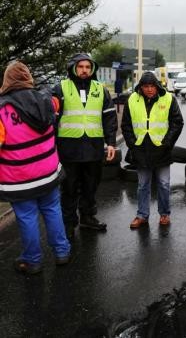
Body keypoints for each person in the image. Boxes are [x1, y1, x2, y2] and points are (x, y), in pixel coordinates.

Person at [0, 61, 71, 275]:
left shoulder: (3, 110)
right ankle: (62, 252)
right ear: (28, 78)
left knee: (27, 216)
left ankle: (32, 260)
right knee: (52, 209)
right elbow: (57, 102)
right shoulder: (47, 101)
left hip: (19, 178)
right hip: (48, 173)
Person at [52, 53, 117, 239]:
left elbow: (110, 117)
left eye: (88, 67)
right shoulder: (60, 88)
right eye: (80, 67)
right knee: (69, 187)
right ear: (73, 68)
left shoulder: (100, 89)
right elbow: (52, 119)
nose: (84, 70)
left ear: (92, 69)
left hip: (93, 147)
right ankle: (69, 223)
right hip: (69, 148)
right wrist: (52, 145)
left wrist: (111, 143)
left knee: (91, 185)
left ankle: (88, 218)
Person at [121, 72, 183, 229]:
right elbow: (126, 125)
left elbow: (177, 122)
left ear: (157, 86)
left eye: (152, 86)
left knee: (163, 183)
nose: (149, 89)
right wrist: (132, 144)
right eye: (146, 86)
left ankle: (164, 214)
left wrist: (167, 143)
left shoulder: (169, 99)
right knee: (143, 185)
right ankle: (142, 215)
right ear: (141, 87)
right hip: (141, 149)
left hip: (161, 149)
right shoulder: (132, 100)